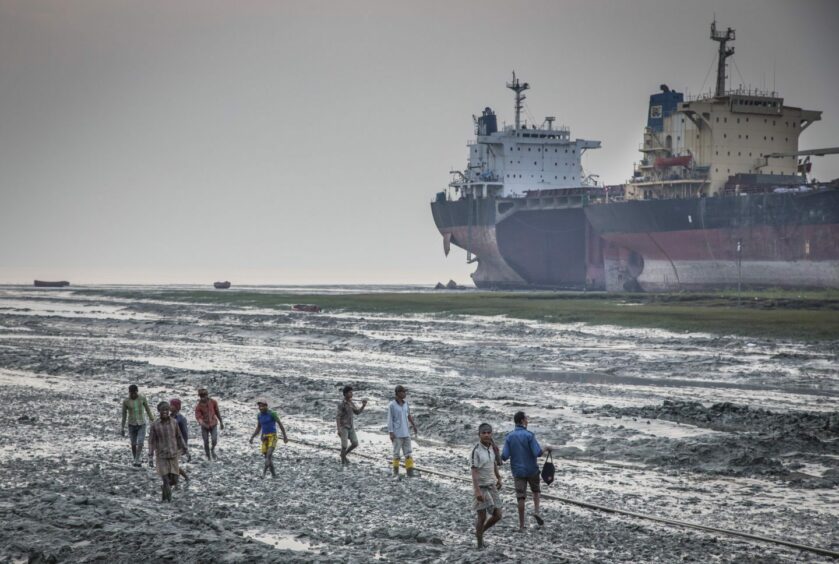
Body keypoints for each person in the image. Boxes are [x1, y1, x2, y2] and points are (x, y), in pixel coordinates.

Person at [501, 411, 552, 531]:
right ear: (522, 421)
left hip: (518, 471)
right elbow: (537, 453)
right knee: (536, 491)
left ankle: (522, 525)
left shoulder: (509, 436)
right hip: (532, 469)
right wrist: (546, 448)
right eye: (526, 419)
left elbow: (504, 456)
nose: (527, 421)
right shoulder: (529, 435)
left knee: (520, 497)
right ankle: (536, 511)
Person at [148, 401, 187, 502]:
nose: (165, 412)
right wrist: (150, 456)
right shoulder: (155, 425)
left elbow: (179, 436)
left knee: (174, 480)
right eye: (162, 410)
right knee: (165, 479)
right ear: (159, 411)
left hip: (173, 455)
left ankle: (164, 494)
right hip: (161, 456)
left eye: (166, 410)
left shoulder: (174, 422)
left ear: (169, 411)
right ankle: (168, 501)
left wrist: (185, 448)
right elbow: (151, 442)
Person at [471, 423, 503, 548]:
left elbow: (494, 463)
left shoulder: (492, 448)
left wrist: (499, 477)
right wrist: (477, 491)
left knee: (498, 514)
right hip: (481, 486)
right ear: (479, 435)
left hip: (491, 485)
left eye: (488, 432)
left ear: (491, 434)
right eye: (483, 433)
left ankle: (480, 532)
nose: (486, 435)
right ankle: (479, 543)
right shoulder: (476, 451)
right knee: (482, 516)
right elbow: (473, 471)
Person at [249, 400, 288, 478]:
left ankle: (263, 474)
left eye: (263, 406)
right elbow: (259, 427)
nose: (261, 408)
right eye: (260, 406)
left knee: (269, 455)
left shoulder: (272, 413)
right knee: (267, 457)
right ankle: (274, 474)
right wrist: (252, 437)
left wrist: (285, 436)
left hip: (272, 436)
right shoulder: (259, 415)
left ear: (266, 406)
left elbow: (280, 424)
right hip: (264, 437)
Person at [120, 384, 155, 467]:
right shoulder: (126, 401)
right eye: (131, 393)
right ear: (129, 393)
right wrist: (122, 427)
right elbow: (124, 415)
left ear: (137, 392)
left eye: (134, 393)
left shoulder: (142, 398)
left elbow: (147, 409)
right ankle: (135, 458)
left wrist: (152, 419)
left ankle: (137, 459)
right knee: (133, 443)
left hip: (141, 423)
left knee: (140, 442)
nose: (133, 395)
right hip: (131, 424)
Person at [387, 384, 418, 477]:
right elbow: (390, 419)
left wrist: (414, 425)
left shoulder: (405, 404)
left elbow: (409, 415)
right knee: (396, 453)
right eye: (403, 392)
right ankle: (395, 472)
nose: (405, 394)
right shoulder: (392, 405)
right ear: (398, 393)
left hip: (406, 433)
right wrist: (391, 432)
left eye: (405, 392)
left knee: (408, 453)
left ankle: (410, 472)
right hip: (397, 433)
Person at [336, 385, 367, 464]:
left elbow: (357, 412)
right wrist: (339, 429)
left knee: (355, 443)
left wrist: (363, 405)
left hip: (350, 426)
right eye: (350, 392)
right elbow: (338, 417)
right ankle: (343, 461)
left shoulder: (351, 403)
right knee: (344, 445)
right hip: (343, 427)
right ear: (345, 394)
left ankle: (343, 455)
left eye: (351, 392)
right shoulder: (342, 404)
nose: (351, 394)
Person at [194, 388, 224, 460]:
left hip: (213, 424)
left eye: (204, 396)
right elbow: (198, 417)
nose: (203, 398)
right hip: (204, 426)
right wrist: (203, 424)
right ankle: (208, 455)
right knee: (206, 441)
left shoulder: (213, 402)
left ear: (207, 395)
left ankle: (212, 449)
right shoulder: (198, 407)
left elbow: (217, 412)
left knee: (214, 439)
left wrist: (221, 422)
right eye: (201, 396)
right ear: (200, 397)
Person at [169, 398, 191, 482]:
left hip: (179, 445)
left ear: (177, 407)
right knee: (172, 462)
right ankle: (177, 478)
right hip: (171, 444)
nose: (170, 407)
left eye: (172, 405)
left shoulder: (181, 419)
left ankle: (184, 477)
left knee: (173, 463)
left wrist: (185, 446)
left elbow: (185, 433)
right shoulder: (169, 417)